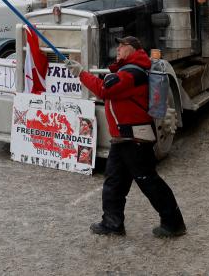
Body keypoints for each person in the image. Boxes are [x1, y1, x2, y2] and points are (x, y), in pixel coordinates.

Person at [66, 36, 186, 238]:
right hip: (124, 138)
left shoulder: (132, 72)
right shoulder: (129, 71)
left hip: (134, 138)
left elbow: (105, 89)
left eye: (123, 45)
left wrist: (81, 73)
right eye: (119, 45)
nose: (118, 48)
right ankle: (112, 223)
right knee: (114, 182)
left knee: (148, 181)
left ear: (134, 49)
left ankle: (174, 223)